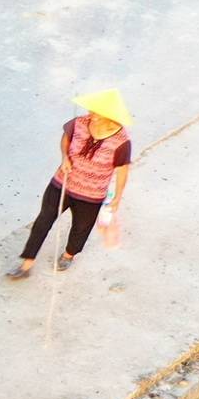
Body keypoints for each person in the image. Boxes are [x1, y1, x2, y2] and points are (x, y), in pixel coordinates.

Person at [9, 88, 133, 279]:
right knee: (43, 220)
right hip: (62, 183)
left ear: (109, 115)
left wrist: (117, 197)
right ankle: (26, 264)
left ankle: (69, 254)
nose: (90, 113)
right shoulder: (80, 123)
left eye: (96, 111)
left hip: (91, 195)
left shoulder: (121, 141)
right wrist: (65, 157)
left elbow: (122, 170)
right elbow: (66, 138)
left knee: (80, 227)